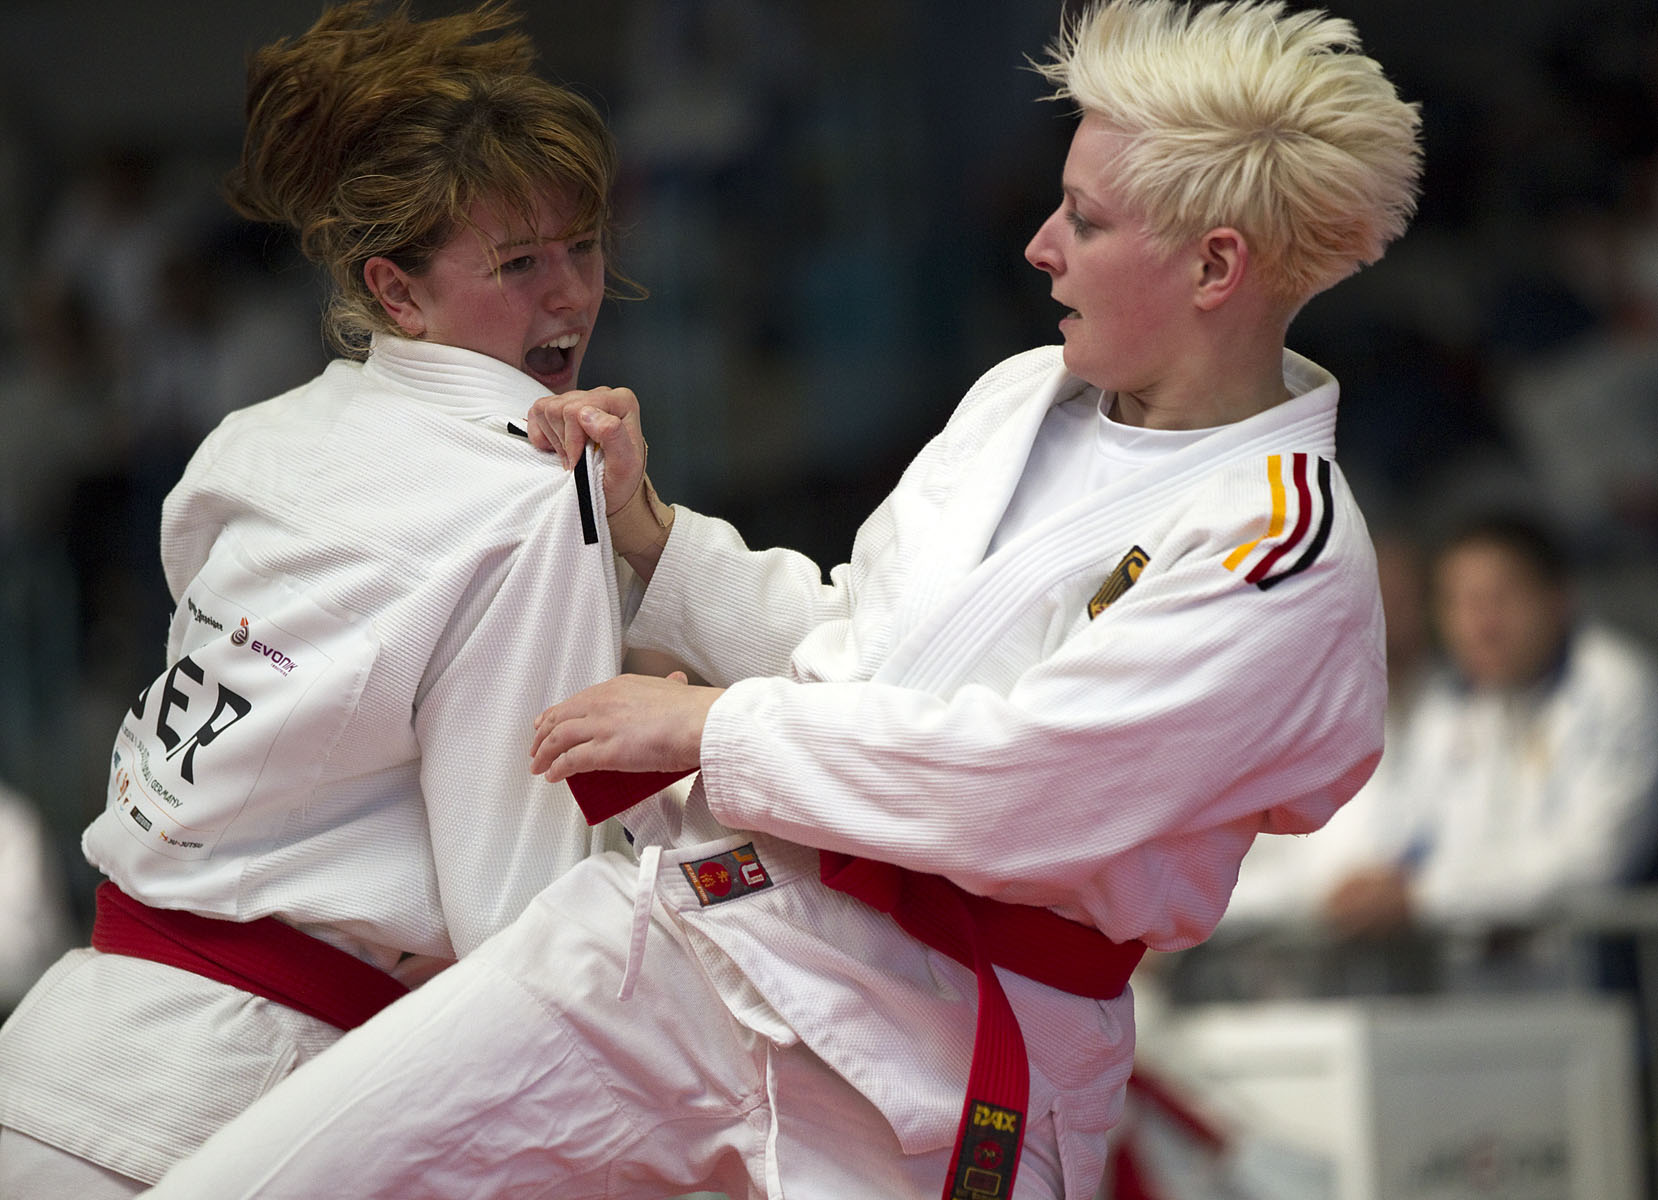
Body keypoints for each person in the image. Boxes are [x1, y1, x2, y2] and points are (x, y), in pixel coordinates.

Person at [144, 2, 1422, 1197]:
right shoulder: (1023, 397)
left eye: (1083, 220)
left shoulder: (1280, 551)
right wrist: (653, 539)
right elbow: (860, 649)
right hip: (719, 926)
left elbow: (1024, 782)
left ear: (1213, 266)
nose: (1038, 244)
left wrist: (708, 729)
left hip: (945, 1045)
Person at [0, 3, 643, 1195]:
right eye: (517, 263)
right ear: (396, 291)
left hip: (51, 1057)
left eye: (584, 247)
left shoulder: (254, 441)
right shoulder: (526, 496)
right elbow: (524, 925)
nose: (568, 298)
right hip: (225, 1108)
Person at [1318, 512, 1658, 944]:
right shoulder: (1446, 703)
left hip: (1602, 979)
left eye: (1501, 598)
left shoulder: (1616, 685)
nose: (1482, 625)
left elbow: (1594, 860)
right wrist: (1371, 883)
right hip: (1476, 987)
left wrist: (1425, 895)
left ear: (1558, 599)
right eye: (1459, 602)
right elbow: (1405, 835)